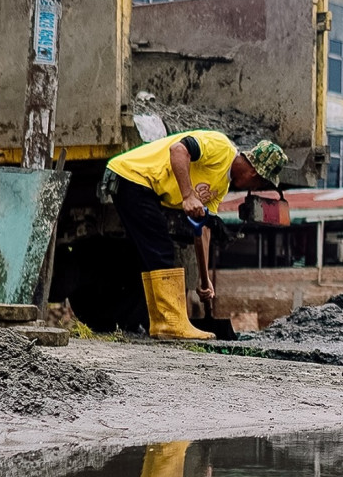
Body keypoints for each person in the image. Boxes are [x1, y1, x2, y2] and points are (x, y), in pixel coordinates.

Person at [101, 130, 287, 340]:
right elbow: (178, 149)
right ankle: (170, 323)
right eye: (261, 184)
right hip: (132, 176)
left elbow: (203, 229)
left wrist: (204, 278)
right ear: (256, 174)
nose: (255, 189)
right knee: (160, 249)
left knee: (150, 253)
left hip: (142, 186)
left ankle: (160, 324)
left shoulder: (221, 187)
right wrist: (188, 195)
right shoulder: (221, 147)